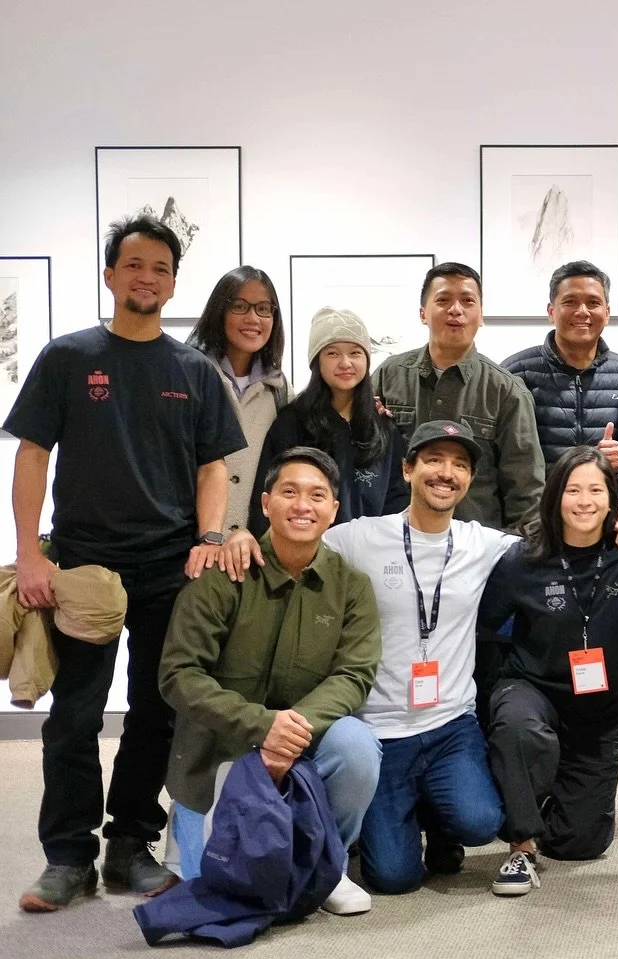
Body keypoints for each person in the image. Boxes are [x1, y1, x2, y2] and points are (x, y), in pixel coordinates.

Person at [7, 214, 246, 913]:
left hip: (170, 568)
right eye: (134, 265)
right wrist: (27, 552)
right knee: (75, 716)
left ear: (174, 283)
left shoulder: (194, 370)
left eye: (161, 268)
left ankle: (131, 845)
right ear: (111, 275)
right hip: (84, 567)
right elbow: (31, 455)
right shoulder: (69, 357)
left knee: (157, 711)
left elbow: (214, 466)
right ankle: (68, 855)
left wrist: (207, 535)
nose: (148, 277)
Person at [159, 447, 383, 916]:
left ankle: (326, 862)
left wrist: (290, 728)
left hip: (303, 743)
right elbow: (178, 675)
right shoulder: (221, 573)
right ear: (265, 504)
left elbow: (354, 673)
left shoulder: (352, 586)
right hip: (220, 749)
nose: (303, 505)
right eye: (290, 492)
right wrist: (261, 727)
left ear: (334, 510)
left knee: (357, 744)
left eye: (317, 495)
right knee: (215, 893)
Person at [321, 420, 517, 894]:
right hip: (382, 732)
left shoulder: (483, 543)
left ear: (469, 479)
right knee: (392, 878)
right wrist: (238, 537)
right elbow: (295, 542)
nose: (445, 473)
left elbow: (559, 543)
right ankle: (396, 818)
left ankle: (438, 815)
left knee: (480, 824)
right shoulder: (359, 538)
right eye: (433, 460)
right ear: (408, 469)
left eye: (459, 464)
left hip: (451, 726)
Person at [479, 447, 618, 896]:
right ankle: (520, 845)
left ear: (613, 500)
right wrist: (492, 696)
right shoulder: (523, 559)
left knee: (581, 844)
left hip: (601, 708)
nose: (584, 500)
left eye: (596, 489)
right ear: (554, 496)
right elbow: (486, 627)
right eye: (573, 490)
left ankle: (539, 786)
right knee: (519, 728)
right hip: (534, 688)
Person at [372, 261, 545, 534]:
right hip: (395, 543)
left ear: (481, 314)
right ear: (423, 313)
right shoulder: (387, 376)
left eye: (467, 301)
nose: (456, 310)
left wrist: (516, 559)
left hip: (477, 552)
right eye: (443, 300)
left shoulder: (506, 391)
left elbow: (525, 491)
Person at [246, 308, 408, 535]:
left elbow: (397, 501)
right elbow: (267, 496)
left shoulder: (382, 427)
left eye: (355, 353)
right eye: (332, 353)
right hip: (305, 557)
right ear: (316, 361)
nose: (345, 363)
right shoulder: (292, 422)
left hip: (370, 558)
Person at [502, 261, 618, 496]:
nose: (582, 311)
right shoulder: (516, 373)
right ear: (551, 311)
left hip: (600, 514)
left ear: (607, 313)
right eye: (570, 302)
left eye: (593, 303)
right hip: (534, 517)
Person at [185, 265, 290, 537]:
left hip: (252, 543)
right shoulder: (190, 374)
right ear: (220, 311)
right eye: (240, 307)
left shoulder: (278, 386)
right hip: (192, 542)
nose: (254, 318)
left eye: (264, 308)